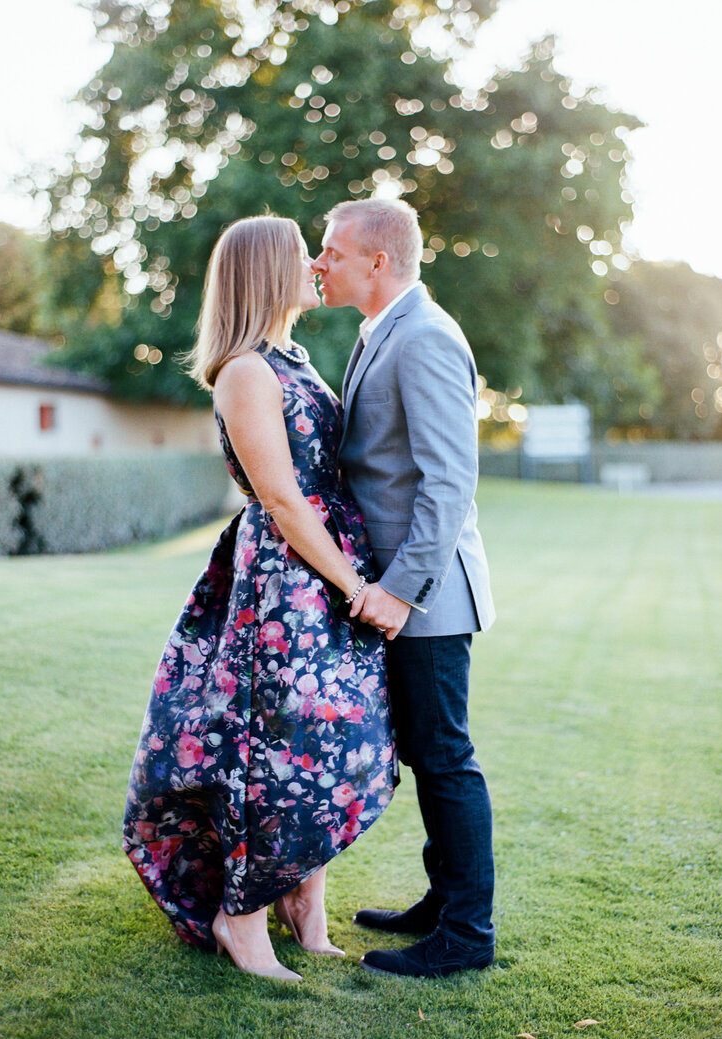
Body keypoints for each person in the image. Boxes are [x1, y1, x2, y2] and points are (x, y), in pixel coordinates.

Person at [122, 215, 395, 982]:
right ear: (267, 272)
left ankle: (304, 905)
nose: (316, 263)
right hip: (289, 590)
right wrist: (354, 584)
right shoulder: (246, 370)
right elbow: (279, 495)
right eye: (300, 254)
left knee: (332, 747)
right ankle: (239, 919)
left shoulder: (294, 357)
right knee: (277, 753)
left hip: (326, 574)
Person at [312, 198, 496, 978]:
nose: (319, 262)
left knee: (446, 755)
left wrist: (398, 589)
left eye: (332, 251)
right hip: (400, 590)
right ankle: (442, 898)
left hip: (426, 595)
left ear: (377, 261)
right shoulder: (379, 331)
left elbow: (450, 483)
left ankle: (467, 933)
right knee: (425, 751)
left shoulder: (422, 336)